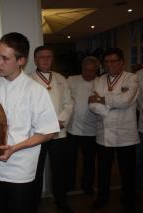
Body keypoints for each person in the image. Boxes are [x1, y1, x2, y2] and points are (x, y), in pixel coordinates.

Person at [0, 32, 60, 213]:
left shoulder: (35, 91)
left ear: (21, 60)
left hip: (20, 171)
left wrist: (14, 148)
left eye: (4, 58)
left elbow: (48, 132)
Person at [89, 48, 139, 212]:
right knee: (103, 170)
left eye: (113, 61)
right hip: (104, 133)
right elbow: (92, 104)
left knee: (127, 171)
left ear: (122, 62)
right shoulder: (98, 80)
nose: (110, 64)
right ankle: (103, 198)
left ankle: (129, 199)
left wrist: (103, 100)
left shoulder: (131, 78)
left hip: (126, 133)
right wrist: (110, 106)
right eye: (107, 61)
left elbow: (126, 100)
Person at [30, 46, 74, 213]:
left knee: (59, 170)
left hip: (58, 132)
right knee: (35, 169)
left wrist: (61, 120)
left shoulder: (61, 79)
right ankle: (33, 201)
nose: (46, 60)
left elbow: (69, 103)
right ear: (35, 60)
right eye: (42, 57)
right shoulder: (28, 79)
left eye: (49, 56)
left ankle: (61, 201)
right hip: (37, 133)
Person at [66, 56, 99, 195]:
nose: (89, 74)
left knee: (89, 161)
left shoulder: (100, 82)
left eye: (92, 71)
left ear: (96, 71)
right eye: (86, 70)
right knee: (70, 160)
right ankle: (69, 185)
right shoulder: (71, 80)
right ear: (82, 68)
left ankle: (87, 185)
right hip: (72, 129)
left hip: (92, 130)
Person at [137, 67, 143, 191]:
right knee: (139, 162)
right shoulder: (138, 76)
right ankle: (136, 188)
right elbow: (136, 102)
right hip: (142, 128)